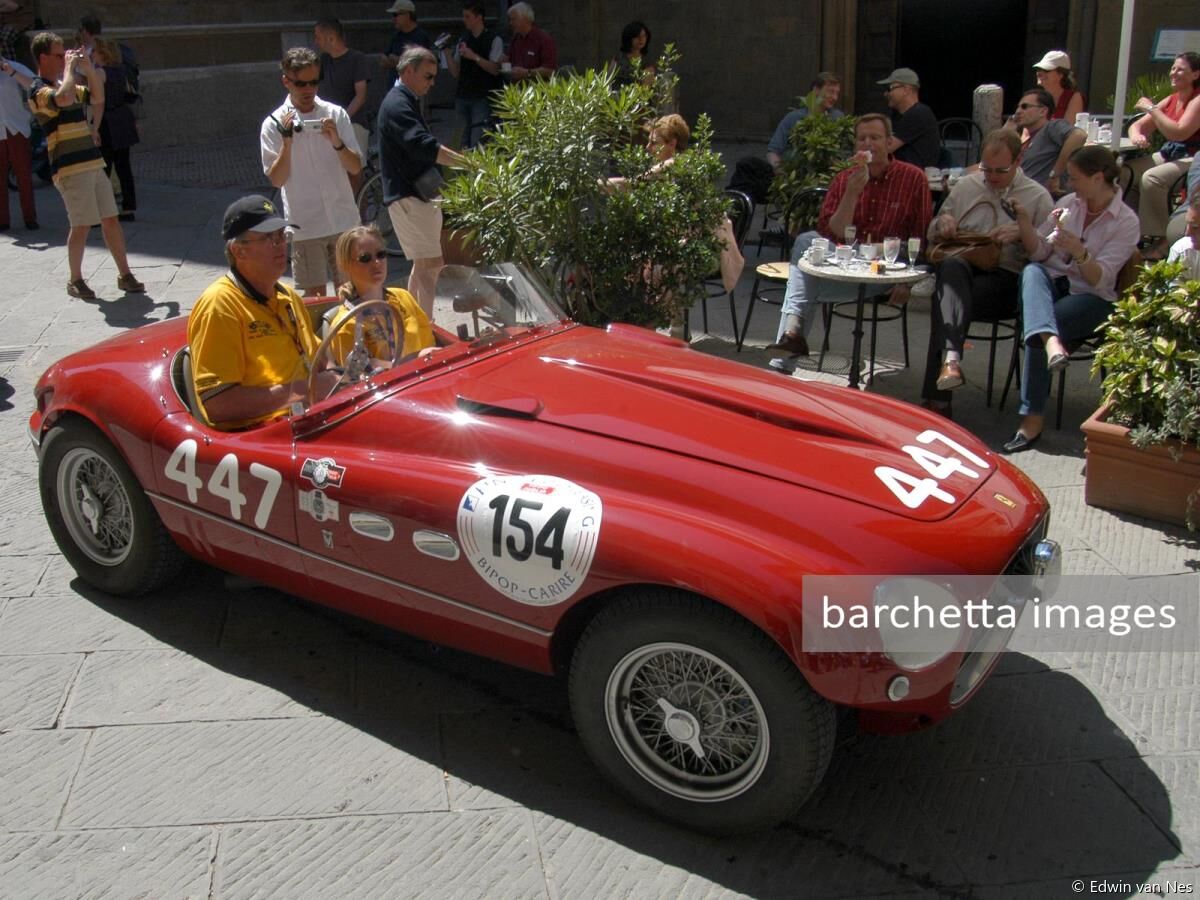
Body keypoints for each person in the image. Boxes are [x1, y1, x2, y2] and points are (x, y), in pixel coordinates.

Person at [1001, 146, 1139, 453]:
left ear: (1098, 177)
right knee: (1034, 271)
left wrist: (1079, 251)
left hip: (1093, 298)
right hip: (1053, 285)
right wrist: (1024, 221)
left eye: (1075, 178)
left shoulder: (1126, 222)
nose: (1070, 184)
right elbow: (1041, 252)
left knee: (1041, 326)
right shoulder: (1069, 205)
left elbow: (1100, 279)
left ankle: (1032, 419)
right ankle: (1052, 343)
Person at [766, 114, 931, 367]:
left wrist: (909, 283)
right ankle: (791, 341)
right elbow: (832, 232)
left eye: (874, 138)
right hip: (845, 264)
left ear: (888, 143)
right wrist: (852, 192)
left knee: (801, 288)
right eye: (861, 138)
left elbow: (918, 237)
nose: (868, 144)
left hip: (885, 272)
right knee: (806, 240)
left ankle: (789, 343)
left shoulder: (913, 178)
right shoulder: (845, 179)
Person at [920, 129, 1054, 416]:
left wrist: (1023, 232)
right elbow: (932, 233)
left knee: (945, 298)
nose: (991, 177)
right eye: (986, 169)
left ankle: (938, 399)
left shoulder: (1037, 196)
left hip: (1006, 279)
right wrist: (942, 221)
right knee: (951, 275)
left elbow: (1050, 255)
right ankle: (951, 362)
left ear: (1019, 160)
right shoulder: (968, 186)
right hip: (963, 268)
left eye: (1000, 170)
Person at [188, 195, 339, 430]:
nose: (280, 244)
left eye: (281, 236)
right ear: (239, 251)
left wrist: (332, 374)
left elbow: (317, 352)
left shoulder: (287, 296)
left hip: (309, 417)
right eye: (268, 238)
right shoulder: (220, 304)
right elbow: (217, 403)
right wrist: (303, 390)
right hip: (264, 435)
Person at [27, 31, 143, 300]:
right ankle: (75, 279)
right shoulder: (38, 89)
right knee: (80, 225)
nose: (63, 58)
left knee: (110, 219)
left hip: (91, 161)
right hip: (69, 168)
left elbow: (97, 97)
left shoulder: (63, 83)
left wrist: (89, 69)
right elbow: (64, 98)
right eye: (58, 54)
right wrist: (70, 69)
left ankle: (124, 274)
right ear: (43, 57)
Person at [261, 47, 363, 297]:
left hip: (342, 220)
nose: (309, 90)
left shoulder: (335, 114)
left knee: (352, 294)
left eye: (314, 82)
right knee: (314, 301)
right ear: (286, 81)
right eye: (301, 83)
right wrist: (287, 144)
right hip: (305, 225)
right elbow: (277, 179)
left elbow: (355, 167)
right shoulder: (273, 124)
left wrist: (337, 141)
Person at [379, 46, 467, 317]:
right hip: (411, 196)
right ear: (408, 71)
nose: (432, 83)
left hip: (412, 195)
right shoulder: (398, 103)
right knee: (432, 265)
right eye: (427, 76)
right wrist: (466, 163)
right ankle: (425, 329)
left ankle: (415, 323)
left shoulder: (402, 99)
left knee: (424, 265)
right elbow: (423, 145)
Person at [324, 224, 435, 368]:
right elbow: (359, 374)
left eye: (381, 254)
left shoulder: (403, 297)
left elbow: (429, 341)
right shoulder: (346, 324)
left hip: (425, 377)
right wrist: (413, 361)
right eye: (365, 258)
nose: (377, 262)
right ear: (346, 265)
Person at [1126, 52, 1200, 259]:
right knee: (1127, 172)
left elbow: (1178, 132)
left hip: (1193, 157)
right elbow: (1138, 125)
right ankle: (1131, 232)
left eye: (1180, 69)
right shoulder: (1171, 99)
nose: (1174, 73)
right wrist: (1138, 135)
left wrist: (1151, 108)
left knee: (1152, 178)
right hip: (1171, 153)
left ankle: (1160, 238)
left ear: (1195, 74)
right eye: (1173, 68)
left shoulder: (1197, 100)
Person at [445, 1, 503, 150]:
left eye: (468, 16)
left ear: (479, 17)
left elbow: (495, 69)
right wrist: (446, 53)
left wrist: (474, 57)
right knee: (461, 140)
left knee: (478, 140)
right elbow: (455, 72)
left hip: (482, 97)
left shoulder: (493, 39)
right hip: (462, 96)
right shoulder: (463, 39)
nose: (464, 20)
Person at [1005, 87, 1085, 193]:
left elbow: (1079, 135)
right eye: (1018, 107)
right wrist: (1005, 134)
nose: (1018, 111)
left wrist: (1055, 174)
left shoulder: (1051, 127)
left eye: (1025, 107)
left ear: (1043, 111)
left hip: (1040, 199)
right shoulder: (1018, 136)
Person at [314, 18, 371, 162]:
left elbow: (360, 96)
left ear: (331, 38)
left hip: (353, 122)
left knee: (354, 170)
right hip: (329, 124)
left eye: (318, 37)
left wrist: (342, 119)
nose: (316, 41)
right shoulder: (324, 60)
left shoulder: (357, 59)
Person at [93, 37, 137, 222]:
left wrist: (94, 127)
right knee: (123, 167)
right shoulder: (121, 71)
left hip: (108, 122)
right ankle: (128, 207)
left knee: (104, 168)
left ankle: (102, 211)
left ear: (102, 53)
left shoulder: (100, 73)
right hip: (123, 119)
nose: (92, 54)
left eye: (94, 51)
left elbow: (98, 102)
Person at [766, 72, 844, 172]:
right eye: (830, 92)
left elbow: (843, 152)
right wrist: (780, 171)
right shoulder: (794, 117)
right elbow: (773, 151)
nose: (835, 97)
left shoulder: (838, 118)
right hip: (795, 172)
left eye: (837, 93)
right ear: (816, 90)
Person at [0, 27, 36, 231]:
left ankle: (30, 217)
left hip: (17, 127)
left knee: (23, 175)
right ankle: (2, 220)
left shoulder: (13, 67)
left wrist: (11, 72)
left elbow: (35, 85)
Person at [878, 67, 940, 169]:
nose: (886, 94)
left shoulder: (918, 114)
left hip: (913, 178)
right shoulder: (899, 115)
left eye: (890, 88)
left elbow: (885, 149)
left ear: (906, 90)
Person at [504, 3, 557, 82]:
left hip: (537, 90)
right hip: (516, 90)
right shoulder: (516, 39)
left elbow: (550, 70)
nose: (511, 23)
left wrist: (527, 72)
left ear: (525, 19)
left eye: (513, 19)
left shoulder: (543, 39)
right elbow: (508, 60)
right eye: (510, 20)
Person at [1033, 50, 1085, 123]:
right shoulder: (1035, 98)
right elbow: (1026, 132)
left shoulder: (1074, 97)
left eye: (1046, 69)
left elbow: (1066, 129)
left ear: (1061, 74)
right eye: (1038, 69)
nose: (1039, 73)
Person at [382, 0, 433, 72]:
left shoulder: (421, 37)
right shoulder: (396, 36)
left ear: (407, 15)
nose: (393, 19)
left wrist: (398, 60)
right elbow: (384, 58)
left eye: (396, 15)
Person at [612, 20, 654, 88]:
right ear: (629, 38)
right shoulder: (618, 59)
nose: (641, 39)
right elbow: (608, 80)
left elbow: (645, 88)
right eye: (637, 36)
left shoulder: (646, 63)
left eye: (644, 36)